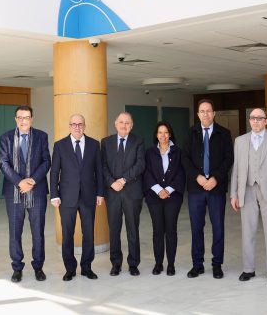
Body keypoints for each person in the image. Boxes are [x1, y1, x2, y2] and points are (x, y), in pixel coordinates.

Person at [229, 109, 267, 285]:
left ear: (266, 121)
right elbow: (236, 169)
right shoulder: (240, 141)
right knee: (247, 232)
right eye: (252, 118)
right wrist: (233, 193)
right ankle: (248, 269)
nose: (255, 121)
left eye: (259, 118)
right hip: (247, 190)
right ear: (249, 121)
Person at [49, 114, 105, 281]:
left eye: (80, 124)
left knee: (89, 233)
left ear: (84, 126)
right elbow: (54, 172)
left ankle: (87, 267)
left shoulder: (94, 144)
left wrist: (100, 193)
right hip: (67, 197)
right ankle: (70, 269)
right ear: (69, 126)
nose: (77, 127)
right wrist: (54, 195)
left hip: (88, 196)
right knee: (68, 234)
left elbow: (99, 171)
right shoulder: (60, 145)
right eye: (74, 124)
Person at [183, 99, 233, 279]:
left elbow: (229, 158)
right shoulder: (190, 133)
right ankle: (197, 265)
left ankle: (217, 265)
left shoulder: (224, 133)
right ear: (198, 114)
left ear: (214, 113)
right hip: (196, 189)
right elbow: (185, 158)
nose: (205, 114)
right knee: (196, 227)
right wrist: (197, 176)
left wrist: (216, 178)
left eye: (208, 111)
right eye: (202, 111)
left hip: (216, 188)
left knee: (218, 227)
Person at [0, 105, 51, 282]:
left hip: (37, 191)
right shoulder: (6, 137)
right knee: (15, 231)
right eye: (20, 117)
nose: (23, 121)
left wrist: (32, 181)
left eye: (26, 117)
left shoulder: (42, 136)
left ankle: (38, 267)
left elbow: (46, 161)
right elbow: (4, 163)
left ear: (32, 119)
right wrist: (19, 182)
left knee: (38, 231)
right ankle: (17, 267)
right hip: (14, 191)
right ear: (16, 119)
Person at [101, 111, 145, 276]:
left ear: (131, 126)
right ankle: (116, 263)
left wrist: (123, 180)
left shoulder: (138, 141)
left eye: (127, 123)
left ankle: (133, 264)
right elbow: (102, 165)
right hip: (112, 193)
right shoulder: (106, 142)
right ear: (115, 124)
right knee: (114, 230)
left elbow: (140, 164)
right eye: (121, 122)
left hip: (132, 192)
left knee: (132, 229)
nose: (124, 125)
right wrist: (112, 182)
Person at [142, 121, 185, 276]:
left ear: (170, 134)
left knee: (171, 230)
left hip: (173, 197)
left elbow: (181, 174)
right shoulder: (149, 152)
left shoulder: (178, 152)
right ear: (156, 135)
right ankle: (158, 263)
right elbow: (146, 173)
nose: (163, 135)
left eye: (166, 132)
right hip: (154, 197)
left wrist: (168, 190)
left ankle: (171, 264)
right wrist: (159, 190)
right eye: (160, 132)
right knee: (158, 230)